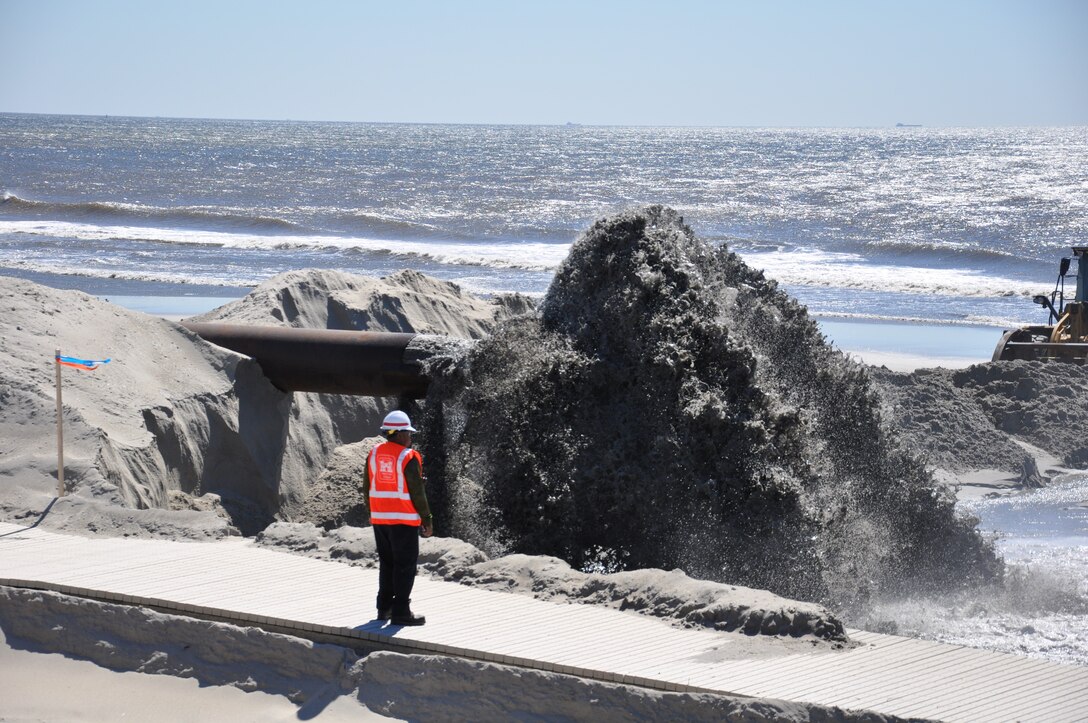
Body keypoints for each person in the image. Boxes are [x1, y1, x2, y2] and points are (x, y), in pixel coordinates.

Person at [362, 410, 433, 626]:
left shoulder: (373, 454)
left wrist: (370, 513)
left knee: (387, 563)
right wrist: (427, 519)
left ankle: (383, 609)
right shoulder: (408, 456)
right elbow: (417, 492)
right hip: (403, 519)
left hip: (381, 519)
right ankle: (401, 611)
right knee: (405, 565)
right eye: (409, 434)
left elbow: (367, 486)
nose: (411, 438)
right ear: (400, 434)